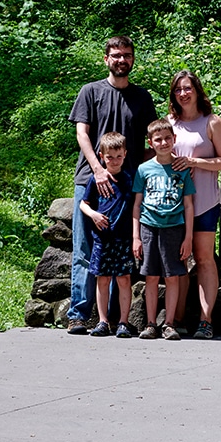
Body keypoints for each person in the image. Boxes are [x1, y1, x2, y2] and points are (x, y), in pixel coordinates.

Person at [66, 36, 158, 335]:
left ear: (133, 60)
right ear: (106, 59)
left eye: (127, 55)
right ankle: (78, 315)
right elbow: (82, 134)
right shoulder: (90, 92)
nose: (122, 60)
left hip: (128, 186)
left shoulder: (142, 98)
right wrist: (98, 169)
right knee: (84, 249)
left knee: (123, 252)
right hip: (90, 180)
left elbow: (152, 142)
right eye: (116, 55)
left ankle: (120, 320)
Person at [169, 70, 221, 340]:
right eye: (178, 89)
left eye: (188, 88)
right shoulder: (169, 123)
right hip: (173, 204)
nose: (183, 93)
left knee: (205, 259)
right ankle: (178, 319)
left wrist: (195, 163)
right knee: (178, 260)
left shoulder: (212, 122)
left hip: (205, 201)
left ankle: (206, 320)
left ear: (197, 90)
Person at [132, 118, 196, 341]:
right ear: (151, 143)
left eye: (168, 138)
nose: (164, 143)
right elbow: (137, 204)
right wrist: (136, 237)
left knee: (172, 277)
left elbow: (188, 205)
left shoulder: (182, 169)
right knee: (151, 276)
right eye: (158, 139)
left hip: (174, 228)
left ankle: (169, 323)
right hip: (149, 227)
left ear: (174, 139)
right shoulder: (143, 169)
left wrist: (188, 237)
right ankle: (150, 323)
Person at [78, 132, 136, 338]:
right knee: (102, 279)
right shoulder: (96, 180)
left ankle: (123, 321)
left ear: (125, 154)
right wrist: (94, 215)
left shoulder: (129, 179)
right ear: (101, 156)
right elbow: (83, 204)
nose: (114, 160)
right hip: (102, 239)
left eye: (118, 156)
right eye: (110, 157)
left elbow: (136, 207)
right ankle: (102, 321)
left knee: (124, 279)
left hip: (123, 239)